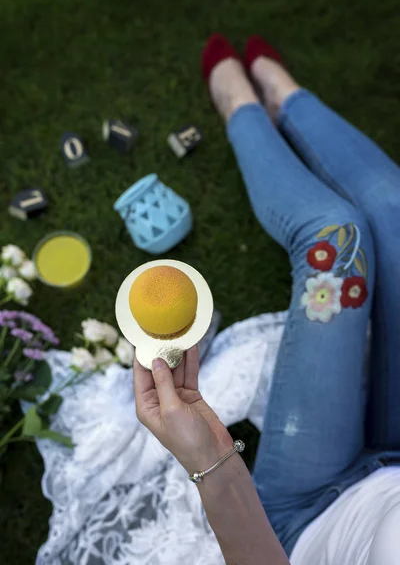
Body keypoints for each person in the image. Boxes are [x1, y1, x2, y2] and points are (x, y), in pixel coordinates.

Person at [133, 33, 400, 565]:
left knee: (334, 236)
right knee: (393, 212)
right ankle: (286, 98)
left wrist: (211, 460)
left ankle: (241, 105)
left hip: (308, 514)